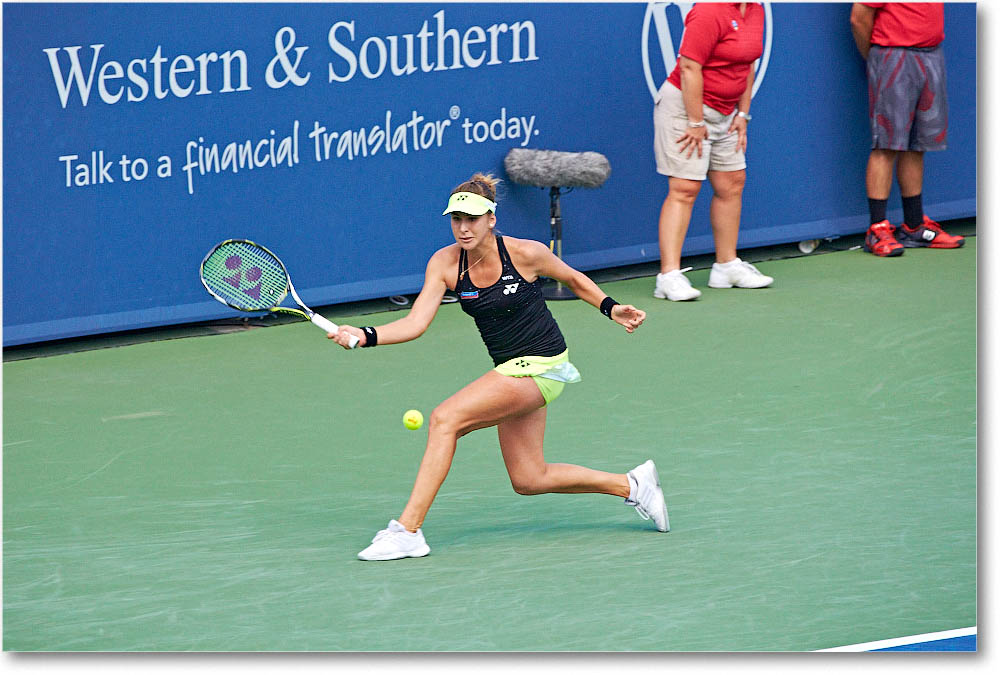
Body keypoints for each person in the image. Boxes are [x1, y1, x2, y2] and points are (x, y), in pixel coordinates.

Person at [329, 173, 669, 561]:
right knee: (529, 478)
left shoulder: (525, 253)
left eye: (472, 219)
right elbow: (416, 322)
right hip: (510, 368)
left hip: (543, 365)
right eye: (456, 219)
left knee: (444, 420)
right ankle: (633, 485)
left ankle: (408, 531)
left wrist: (612, 308)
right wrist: (366, 334)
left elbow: (573, 279)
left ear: (491, 219)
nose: (463, 228)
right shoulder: (445, 263)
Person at [652, 2, 773, 302]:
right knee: (685, 188)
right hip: (685, 110)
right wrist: (696, 121)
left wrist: (742, 114)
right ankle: (668, 276)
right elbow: (689, 66)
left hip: (727, 113)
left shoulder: (755, 10)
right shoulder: (709, 10)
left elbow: (747, 65)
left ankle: (726, 266)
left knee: (732, 183)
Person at [850, 2, 964, 256]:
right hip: (892, 54)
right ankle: (877, 229)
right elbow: (859, 17)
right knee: (886, 145)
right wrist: (878, 58)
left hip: (931, 53)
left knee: (918, 145)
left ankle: (914, 226)